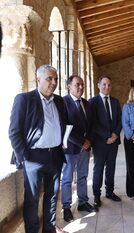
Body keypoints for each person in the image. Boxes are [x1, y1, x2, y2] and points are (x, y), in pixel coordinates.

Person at [8, 65, 67, 233]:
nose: (54, 82)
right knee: (32, 199)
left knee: (52, 196)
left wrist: (63, 139)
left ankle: (49, 230)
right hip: (33, 157)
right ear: (38, 79)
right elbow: (14, 131)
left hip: (55, 155)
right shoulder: (24, 99)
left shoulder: (59, 100)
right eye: (49, 78)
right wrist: (24, 157)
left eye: (55, 79)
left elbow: (62, 124)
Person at [61, 75, 95, 223]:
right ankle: (67, 207)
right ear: (69, 86)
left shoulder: (86, 104)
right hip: (70, 149)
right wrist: (82, 142)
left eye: (82, 84)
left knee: (82, 176)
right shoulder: (63, 102)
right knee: (67, 179)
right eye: (77, 85)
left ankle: (82, 202)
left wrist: (89, 141)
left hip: (85, 149)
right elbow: (64, 127)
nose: (80, 87)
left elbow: (92, 125)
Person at [89, 76, 122, 207]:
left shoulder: (115, 101)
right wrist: (107, 136)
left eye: (109, 85)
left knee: (111, 168)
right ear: (98, 85)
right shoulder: (92, 102)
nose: (107, 87)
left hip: (113, 142)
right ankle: (97, 195)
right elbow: (93, 123)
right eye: (104, 85)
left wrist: (115, 134)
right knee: (98, 169)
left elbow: (119, 120)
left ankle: (110, 192)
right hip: (99, 142)